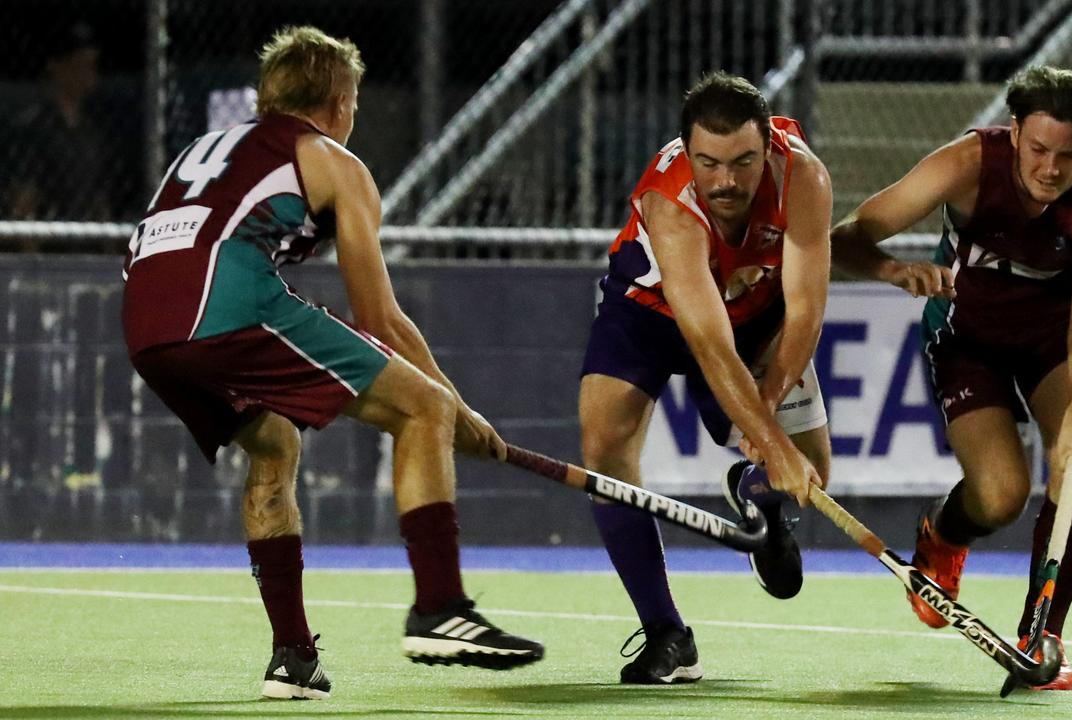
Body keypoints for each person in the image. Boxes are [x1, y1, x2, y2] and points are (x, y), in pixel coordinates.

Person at [120, 26, 543, 700]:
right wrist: (454, 409)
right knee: (422, 407)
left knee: (272, 442)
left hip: (145, 323)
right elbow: (379, 318)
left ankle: (293, 657)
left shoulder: (204, 149)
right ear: (342, 102)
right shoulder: (331, 159)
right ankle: (441, 608)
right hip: (225, 305)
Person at [830, 65, 1072, 691]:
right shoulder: (966, 164)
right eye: (1039, 149)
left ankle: (1042, 635)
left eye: (1068, 157)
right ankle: (942, 532)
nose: (1049, 168)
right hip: (966, 339)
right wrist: (890, 270)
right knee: (1000, 495)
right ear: (1015, 130)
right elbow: (847, 238)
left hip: (1052, 342)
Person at [579, 71, 833, 684]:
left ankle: (757, 495)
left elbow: (805, 312)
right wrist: (766, 437)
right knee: (604, 445)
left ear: (770, 144)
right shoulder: (670, 203)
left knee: (813, 468)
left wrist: (768, 421)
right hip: (649, 312)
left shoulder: (806, 177)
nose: (725, 181)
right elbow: (708, 346)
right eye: (708, 163)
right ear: (685, 151)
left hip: (756, 312)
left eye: (743, 162)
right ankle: (667, 633)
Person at [7, 21, 113, 222]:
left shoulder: (90, 130)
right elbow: (23, 200)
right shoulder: (34, 128)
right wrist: (32, 252)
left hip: (87, 240)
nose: (88, 74)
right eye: (80, 64)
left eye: (91, 65)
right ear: (56, 65)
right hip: (52, 243)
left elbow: (99, 197)